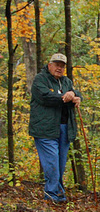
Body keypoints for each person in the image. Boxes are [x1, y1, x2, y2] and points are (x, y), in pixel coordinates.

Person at [29, 53, 82, 203]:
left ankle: (58, 193)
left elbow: (76, 93)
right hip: (45, 129)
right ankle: (52, 194)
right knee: (52, 162)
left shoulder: (66, 81)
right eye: (57, 64)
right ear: (49, 64)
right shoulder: (41, 79)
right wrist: (64, 98)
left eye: (62, 65)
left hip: (65, 128)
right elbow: (45, 97)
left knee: (60, 163)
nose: (59, 68)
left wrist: (74, 94)